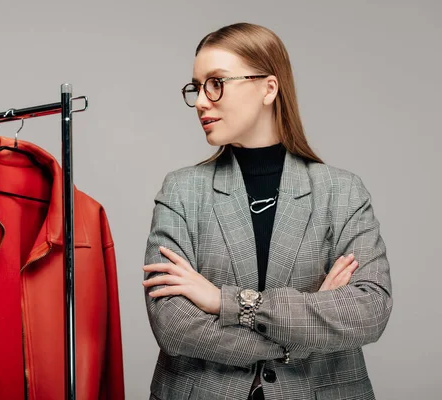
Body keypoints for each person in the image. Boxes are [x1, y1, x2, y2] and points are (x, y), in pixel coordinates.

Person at [142, 22, 392, 400]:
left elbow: (370, 309)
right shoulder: (180, 191)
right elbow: (173, 324)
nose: (200, 101)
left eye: (216, 83)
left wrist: (226, 302)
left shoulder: (341, 191)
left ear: (268, 88)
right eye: (196, 87)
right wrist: (298, 342)